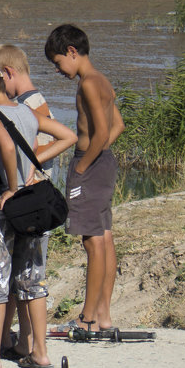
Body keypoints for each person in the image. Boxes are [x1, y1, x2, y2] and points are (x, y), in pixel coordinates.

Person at [0, 62, 76, 368]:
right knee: (32, 280)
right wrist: (33, 168)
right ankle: (40, 353)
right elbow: (68, 136)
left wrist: (12, 186)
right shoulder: (26, 112)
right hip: (31, 205)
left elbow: (8, 147)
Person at [0, 43, 66, 356]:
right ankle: (21, 342)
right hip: (33, 199)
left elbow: (47, 142)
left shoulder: (29, 104)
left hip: (29, 199)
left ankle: (24, 342)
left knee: (26, 276)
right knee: (27, 275)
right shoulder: (28, 102)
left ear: (8, 74)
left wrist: (26, 171)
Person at [44, 24, 125, 335]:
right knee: (104, 237)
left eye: (58, 62)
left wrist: (81, 168)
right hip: (103, 165)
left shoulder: (88, 84)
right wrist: (101, 154)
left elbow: (103, 132)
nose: (58, 69)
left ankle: (87, 318)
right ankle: (103, 314)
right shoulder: (103, 81)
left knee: (92, 242)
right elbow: (118, 125)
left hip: (89, 167)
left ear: (72, 52)